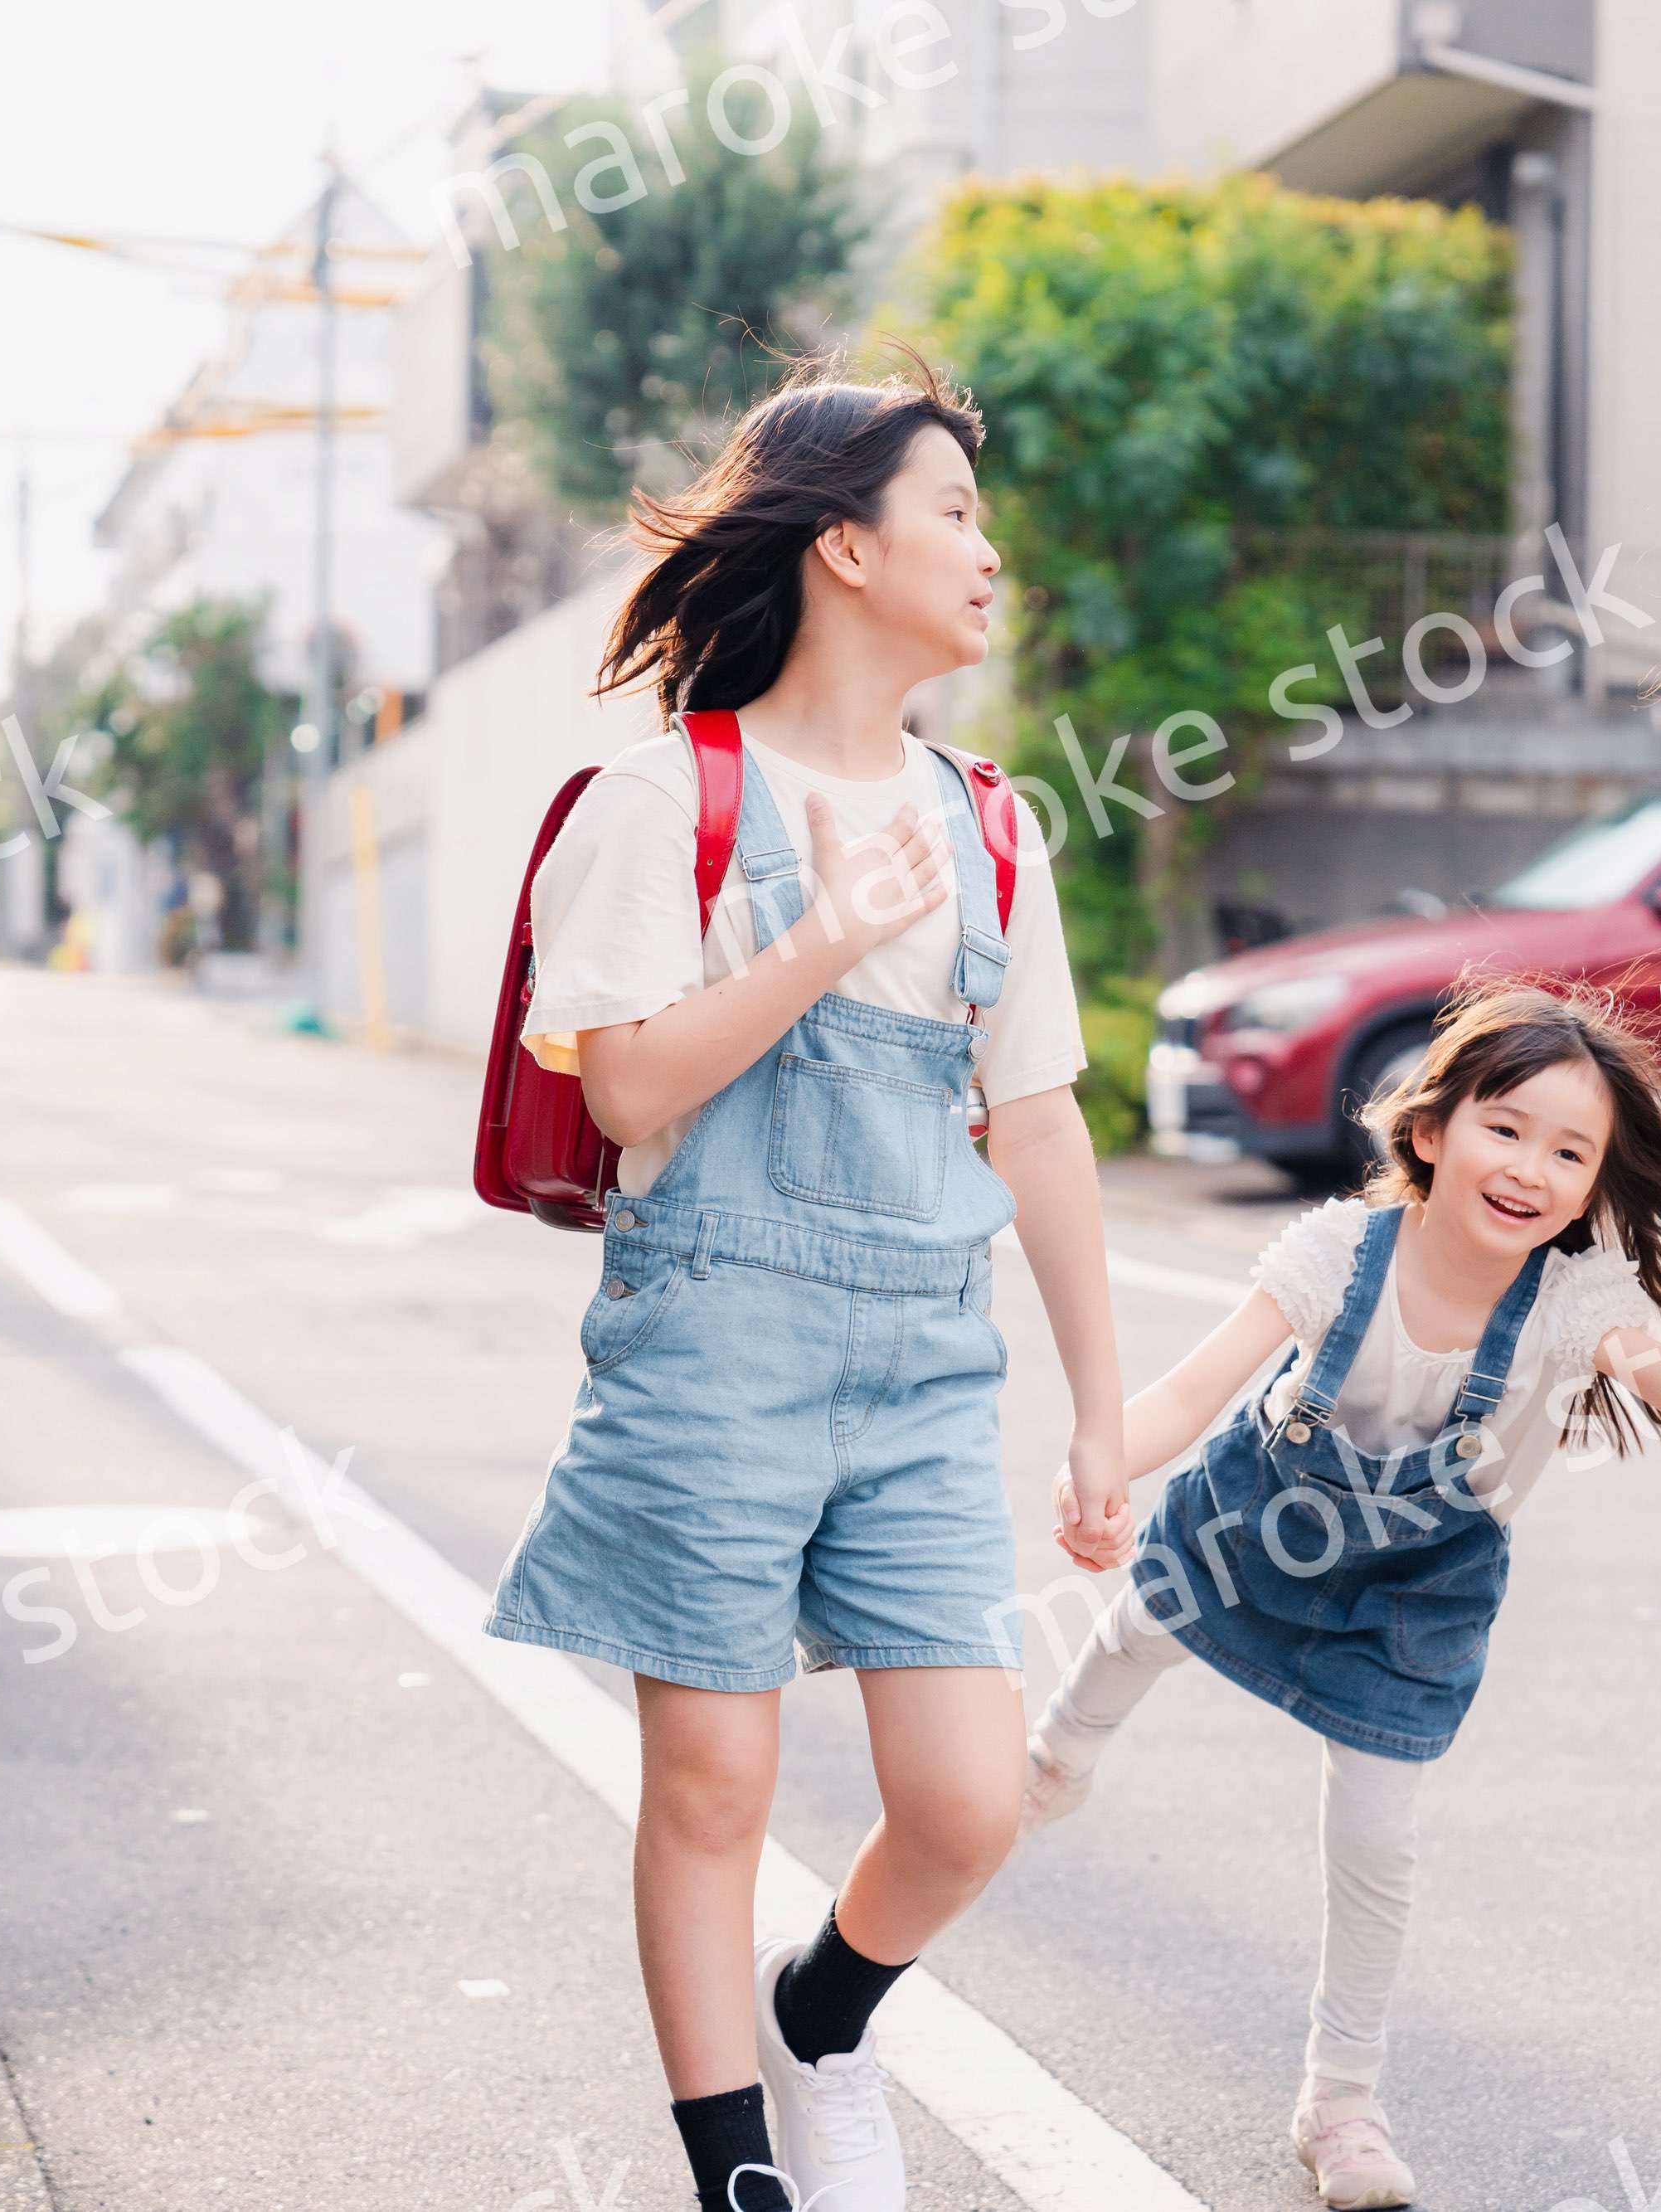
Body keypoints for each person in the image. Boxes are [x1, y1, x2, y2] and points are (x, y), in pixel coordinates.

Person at [480, 353, 1125, 2212]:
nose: (987, 553)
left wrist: (1093, 1408)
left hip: (924, 1370)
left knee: (963, 1798)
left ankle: (823, 2009)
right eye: (953, 513)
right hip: (710, 1359)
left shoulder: (993, 821)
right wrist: (826, 934)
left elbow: (1043, 1127)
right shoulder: (661, 796)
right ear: (843, 548)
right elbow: (626, 1084)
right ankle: (734, 2169)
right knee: (710, 1793)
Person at [1015, 982, 1661, 2210]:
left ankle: (1341, 2102)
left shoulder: (1574, 1303)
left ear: (1593, 1182)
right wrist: (1097, 1459)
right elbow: (1189, 1398)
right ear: (1429, 1132)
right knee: (1144, 1619)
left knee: (1378, 1841)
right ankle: (1058, 1758)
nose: (1530, 1168)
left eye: (1571, 1152)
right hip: (1262, 1519)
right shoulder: (1335, 1253)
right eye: (1504, 1129)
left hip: (1416, 1584)